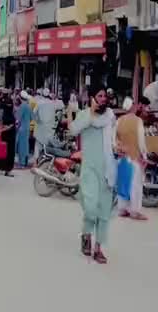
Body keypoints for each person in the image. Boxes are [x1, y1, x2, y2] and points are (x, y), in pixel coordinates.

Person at [70, 86, 116, 264]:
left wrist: (118, 147)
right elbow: (73, 130)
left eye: (105, 96)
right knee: (90, 207)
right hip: (89, 169)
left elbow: (114, 138)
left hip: (107, 169)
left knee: (104, 211)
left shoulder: (110, 116)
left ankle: (98, 248)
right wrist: (90, 113)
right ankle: (86, 234)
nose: (103, 99)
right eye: (100, 96)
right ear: (92, 98)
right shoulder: (84, 115)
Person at [115, 97, 147, 220]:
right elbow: (141, 141)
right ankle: (135, 211)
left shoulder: (119, 121)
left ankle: (122, 209)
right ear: (132, 106)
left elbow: (114, 139)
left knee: (123, 183)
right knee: (136, 184)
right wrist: (144, 155)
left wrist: (118, 149)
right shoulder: (138, 121)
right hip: (134, 157)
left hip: (122, 157)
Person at [0, 92, 16, 176]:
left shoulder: (10, 111)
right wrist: (2, 128)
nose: (9, 106)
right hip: (3, 135)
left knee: (10, 153)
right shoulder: (1, 112)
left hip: (10, 135)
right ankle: (0, 168)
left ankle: (7, 170)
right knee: (2, 151)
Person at [33, 86, 57, 157]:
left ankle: (36, 159)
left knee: (38, 145)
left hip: (40, 127)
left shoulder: (39, 103)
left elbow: (34, 113)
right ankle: (46, 158)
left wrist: (37, 120)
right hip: (49, 127)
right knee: (47, 145)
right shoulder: (52, 103)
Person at [15, 90, 32, 167]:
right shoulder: (28, 106)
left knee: (21, 146)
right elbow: (31, 117)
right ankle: (25, 161)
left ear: (20, 98)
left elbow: (18, 119)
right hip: (27, 127)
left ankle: (21, 163)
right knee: (26, 145)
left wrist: (16, 128)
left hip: (21, 129)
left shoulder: (21, 107)